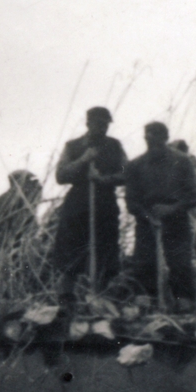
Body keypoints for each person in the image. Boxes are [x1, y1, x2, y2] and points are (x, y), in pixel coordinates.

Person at [51, 107, 128, 300]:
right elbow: (60, 175)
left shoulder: (115, 146)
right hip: (78, 203)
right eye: (99, 124)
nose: (103, 128)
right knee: (71, 254)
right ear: (88, 124)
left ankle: (100, 298)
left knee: (106, 251)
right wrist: (83, 160)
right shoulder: (73, 146)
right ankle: (66, 301)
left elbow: (128, 174)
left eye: (106, 125)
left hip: (105, 203)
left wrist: (105, 179)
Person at [123, 121, 196, 306]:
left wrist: (172, 209)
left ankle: (184, 305)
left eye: (157, 136)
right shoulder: (135, 165)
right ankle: (145, 306)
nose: (152, 141)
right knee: (144, 262)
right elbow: (131, 201)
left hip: (177, 219)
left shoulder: (182, 161)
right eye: (148, 136)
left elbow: (194, 196)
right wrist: (148, 216)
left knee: (180, 262)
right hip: (146, 221)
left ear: (165, 138)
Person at [0, 170, 42, 297]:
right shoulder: (18, 201)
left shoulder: (0, 200)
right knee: (10, 290)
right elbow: (27, 229)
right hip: (7, 251)